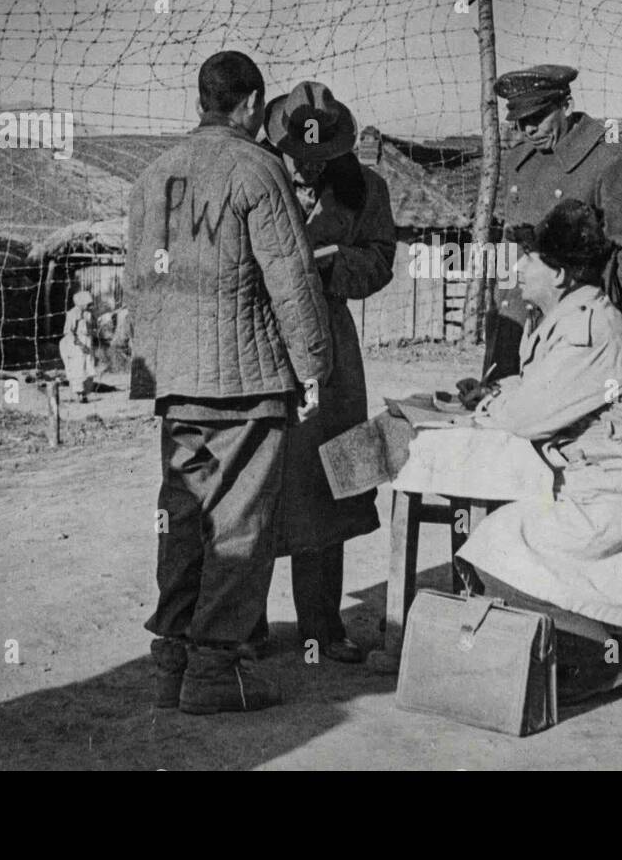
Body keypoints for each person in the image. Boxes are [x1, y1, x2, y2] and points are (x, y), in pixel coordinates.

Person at [126, 50, 333, 715]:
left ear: (201, 100)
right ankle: (215, 671)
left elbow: (142, 283)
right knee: (239, 522)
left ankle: (171, 661)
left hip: (177, 381)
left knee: (183, 516)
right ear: (248, 105)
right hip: (246, 382)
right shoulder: (259, 169)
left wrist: (150, 369)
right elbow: (293, 279)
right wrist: (313, 366)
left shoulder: (153, 176)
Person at [455, 199, 622, 707]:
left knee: (491, 546)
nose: (518, 267)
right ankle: (572, 647)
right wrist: (499, 395)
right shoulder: (571, 316)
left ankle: (595, 658)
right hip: (597, 483)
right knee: (501, 536)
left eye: (529, 259)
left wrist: (494, 404)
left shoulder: (588, 331)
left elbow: (526, 416)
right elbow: (538, 393)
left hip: (621, 497)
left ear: (558, 274)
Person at [248, 81, 396, 664]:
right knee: (256, 486)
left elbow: (382, 258)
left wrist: (335, 269)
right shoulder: (252, 180)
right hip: (260, 343)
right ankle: (246, 626)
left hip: (330, 349)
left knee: (325, 481)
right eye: (298, 160)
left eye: (319, 161)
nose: (307, 172)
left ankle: (321, 627)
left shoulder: (366, 189)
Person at [476, 64, 622, 387]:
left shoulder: (608, 162)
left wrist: (602, 317)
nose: (529, 129)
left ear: (566, 105)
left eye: (538, 117)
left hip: (573, 341)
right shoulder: (519, 162)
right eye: (520, 122)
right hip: (514, 329)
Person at [58, 290, 96, 401]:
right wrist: (80, 344)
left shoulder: (88, 314)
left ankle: (85, 392)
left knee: (88, 366)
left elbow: (91, 327)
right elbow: (68, 332)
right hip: (75, 343)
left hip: (87, 341)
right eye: (88, 304)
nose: (90, 306)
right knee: (77, 367)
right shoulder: (72, 314)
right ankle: (78, 393)